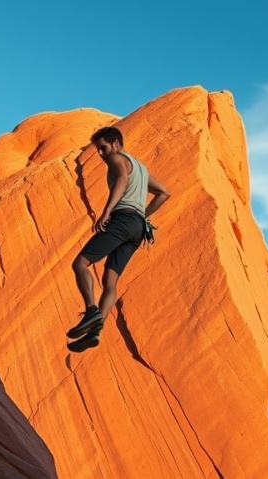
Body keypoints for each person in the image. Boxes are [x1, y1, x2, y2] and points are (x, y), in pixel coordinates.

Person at [67, 126, 170, 352]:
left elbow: (122, 179)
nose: (102, 154)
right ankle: (95, 331)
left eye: (103, 148)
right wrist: (142, 216)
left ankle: (92, 312)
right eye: (98, 151)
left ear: (116, 144)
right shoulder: (141, 168)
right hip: (137, 228)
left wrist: (106, 212)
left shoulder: (116, 158)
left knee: (80, 263)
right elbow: (164, 193)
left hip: (122, 220)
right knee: (110, 281)